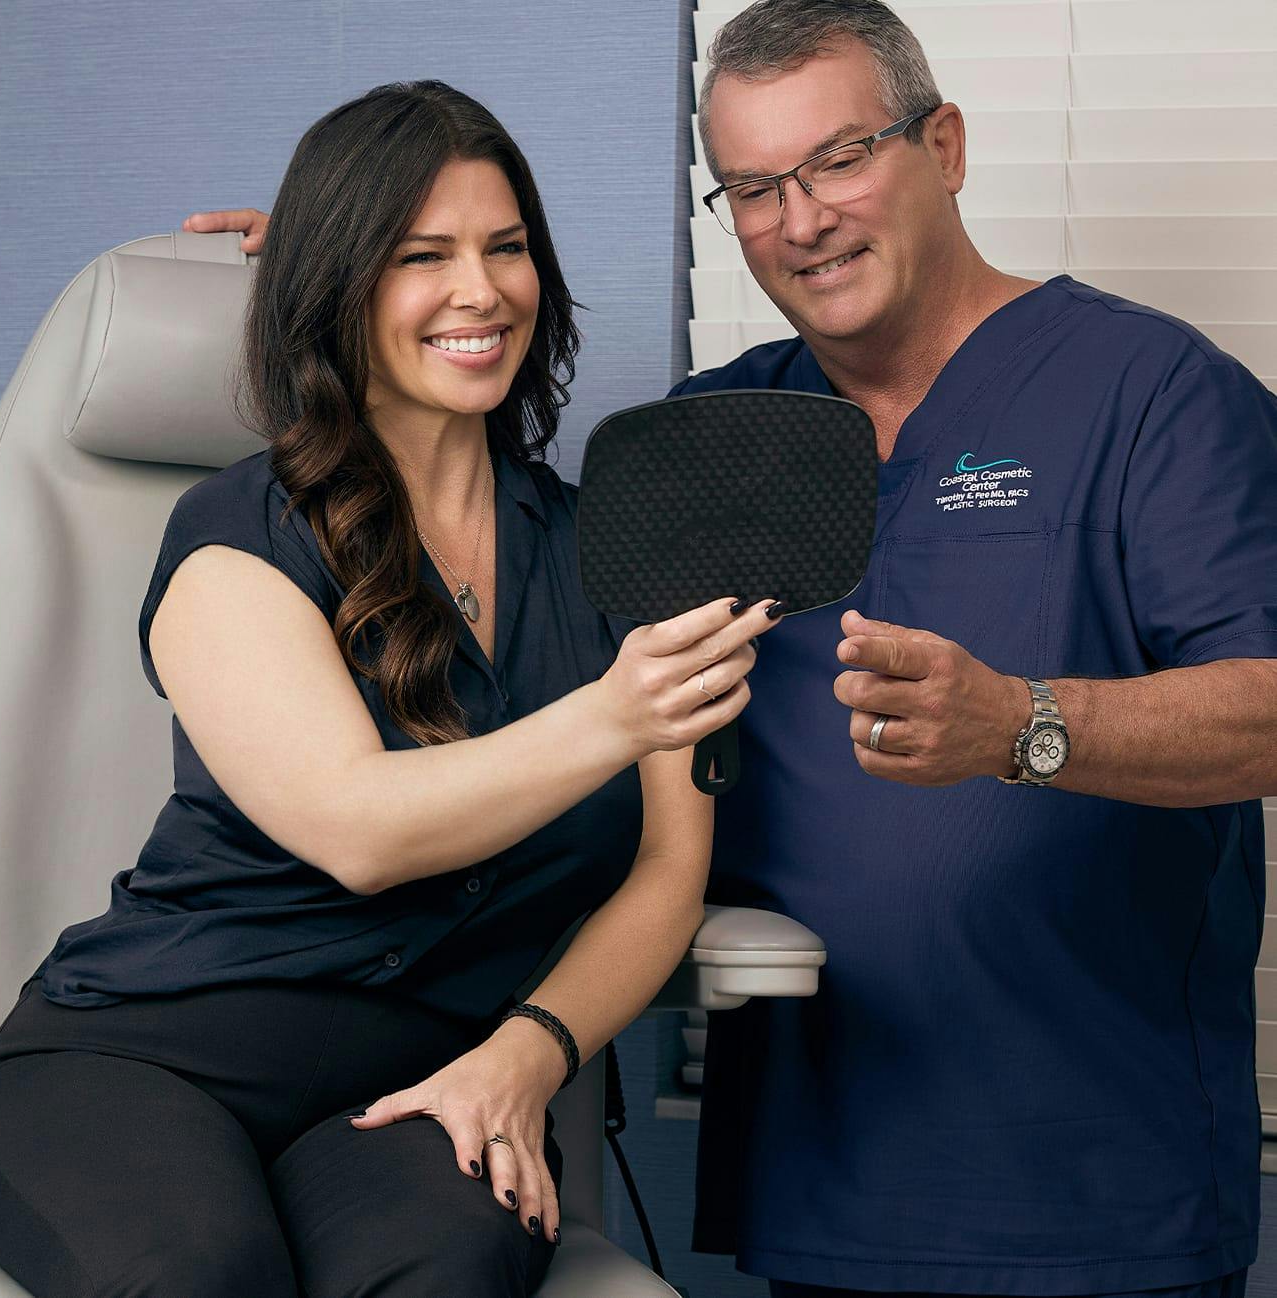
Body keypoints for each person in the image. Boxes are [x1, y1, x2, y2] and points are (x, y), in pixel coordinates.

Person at [185, 1, 1277, 1295]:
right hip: (821, 1170)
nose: (800, 217)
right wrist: (355, 275)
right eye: (754, 186)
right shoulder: (711, 440)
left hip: (1096, 1180)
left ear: (947, 145)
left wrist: (1023, 724)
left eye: (839, 158)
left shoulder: (1151, 393)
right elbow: (494, 530)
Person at [0, 80, 777, 1298]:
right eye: (419, 256)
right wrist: (611, 714)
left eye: (507, 249)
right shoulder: (236, 534)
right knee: (205, 1276)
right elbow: (359, 829)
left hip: (430, 1085)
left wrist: (529, 1056)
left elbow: (669, 871)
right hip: (143, 1060)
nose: (481, 290)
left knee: (441, 1276)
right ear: (339, 287)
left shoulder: (624, 555)